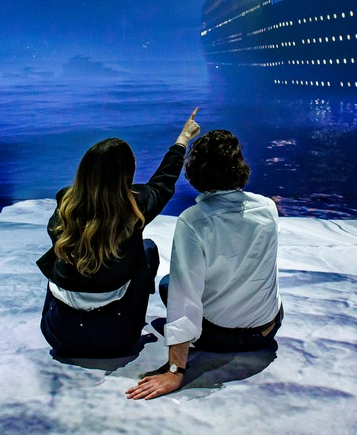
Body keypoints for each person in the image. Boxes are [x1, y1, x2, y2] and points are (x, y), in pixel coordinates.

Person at [126, 129, 282, 400]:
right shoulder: (267, 207)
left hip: (222, 340)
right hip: (267, 330)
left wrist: (175, 371)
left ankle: (193, 343)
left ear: (196, 173)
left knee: (168, 285)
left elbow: (184, 299)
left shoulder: (193, 221)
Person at [37, 109, 200, 358]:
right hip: (117, 339)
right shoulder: (135, 207)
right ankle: (127, 314)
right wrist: (183, 139)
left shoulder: (66, 204)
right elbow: (163, 181)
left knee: (59, 255)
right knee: (148, 249)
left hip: (58, 335)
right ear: (126, 173)